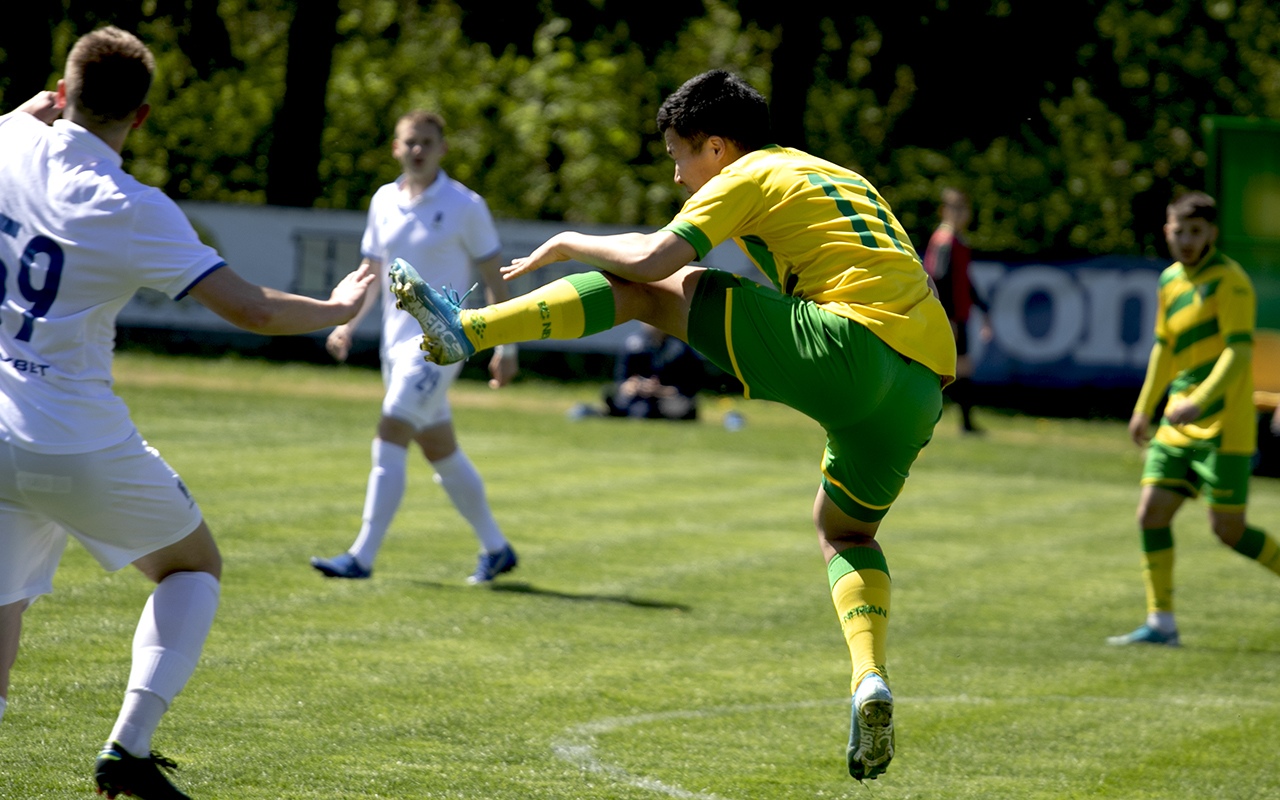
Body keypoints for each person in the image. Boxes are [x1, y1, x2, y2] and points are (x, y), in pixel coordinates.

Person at [389, 69, 956, 782]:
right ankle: (868, 677)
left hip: (847, 347)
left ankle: (467, 328)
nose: (679, 176)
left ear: (716, 146)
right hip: (922, 385)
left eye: (679, 157)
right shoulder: (835, 175)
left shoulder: (747, 172)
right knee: (845, 531)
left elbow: (655, 258)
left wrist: (568, 240)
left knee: (649, 289)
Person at [0, 26, 374, 800]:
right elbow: (253, 309)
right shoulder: (133, 207)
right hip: (74, 437)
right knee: (191, 565)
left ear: (64, 93)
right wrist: (338, 308)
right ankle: (128, 747)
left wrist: (31, 110)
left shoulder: (10, 142)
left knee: (2, 609)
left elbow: (18, 121)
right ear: (140, 117)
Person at [309, 110, 520, 585]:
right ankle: (497, 548)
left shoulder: (466, 205)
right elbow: (370, 273)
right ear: (396, 148)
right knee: (439, 448)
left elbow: (495, 278)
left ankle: (361, 557)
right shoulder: (383, 200)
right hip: (394, 346)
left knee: (391, 430)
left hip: (441, 342)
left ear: (443, 149)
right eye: (410, 141)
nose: (418, 150)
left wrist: (506, 348)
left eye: (427, 142)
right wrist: (346, 323)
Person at [1109, 191, 1280, 648]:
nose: (1185, 240)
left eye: (1195, 232)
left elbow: (1238, 352)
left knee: (1229, 530)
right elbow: (1164, 347)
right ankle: (1161, 623)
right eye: (1179, 231)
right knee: (1151, 514)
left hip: (1224, 426)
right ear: (1167, 230)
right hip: (1177, 423)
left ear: (1212, 234)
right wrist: (1144, 408)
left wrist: (1201, 401)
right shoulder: (1169, 280)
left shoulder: (1231, 281)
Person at [922, 187, 991, 433]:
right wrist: (947, 317)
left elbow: (965, 281)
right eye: (955, 208)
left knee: (960, 369)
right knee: (948, 369)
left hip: (958, 316)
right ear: (944, 211)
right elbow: (939, 278)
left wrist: (984, 310)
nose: (960, 213)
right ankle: (962, 423)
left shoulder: (957, 241)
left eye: (963, 208)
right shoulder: (944, 241)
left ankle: (966, 423)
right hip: (950, 316)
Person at [576, 322, 704, 420]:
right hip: (638, 397)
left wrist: (661, 390)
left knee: (680, 408)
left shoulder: (681, 348)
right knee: (612, 394)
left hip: (668, 399)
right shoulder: (632, 344)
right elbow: (622, 379)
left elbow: (690, 386)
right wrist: (632, 386)